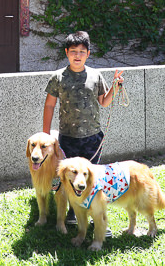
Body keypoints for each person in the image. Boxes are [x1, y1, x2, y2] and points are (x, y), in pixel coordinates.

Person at [43, 31, 122, 227]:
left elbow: (104, 102)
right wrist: (46, 135)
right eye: (73, 51)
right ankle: (73, 211)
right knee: (71, 177)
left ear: (88, 54)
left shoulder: (96, 75)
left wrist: (115, 86)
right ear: (66, 52)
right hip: (67, 138)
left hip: (92, 138)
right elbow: (49, 105)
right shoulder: (58, 77)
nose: (77, 55)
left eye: (81, 51)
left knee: (90, 177)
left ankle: (95, 214)